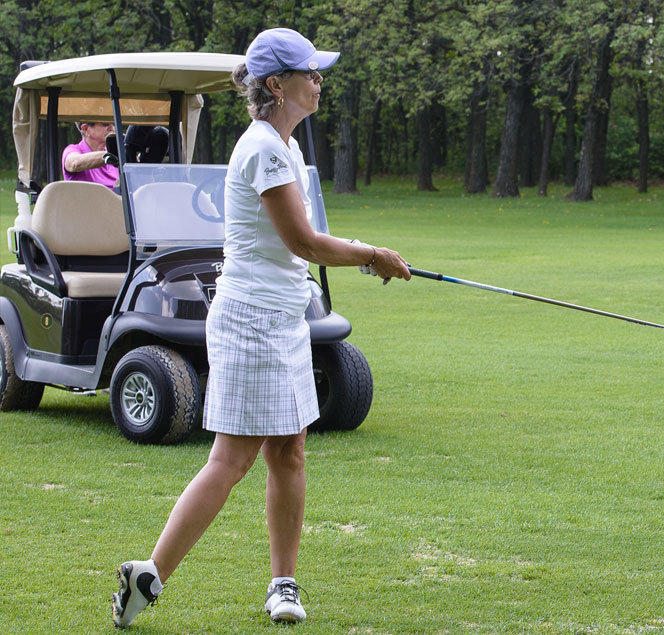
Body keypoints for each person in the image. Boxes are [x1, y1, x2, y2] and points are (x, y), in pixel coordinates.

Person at [111, 27, 411, 629]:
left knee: (290, 451)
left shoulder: (284, 144)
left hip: (281, 315)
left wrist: (362, 253)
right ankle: (151, 573)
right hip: (252, 320)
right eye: (310, 72)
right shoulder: (266, 149)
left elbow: (294, 245)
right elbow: (302, 240)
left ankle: (282, 584)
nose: (319, 80)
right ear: (277, 85)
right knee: (233, 458)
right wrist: (371, 253)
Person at [61, 121, 119, 188]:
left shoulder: (116, 153)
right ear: (85, 129)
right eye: (105, 124)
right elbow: (75, 163)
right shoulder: (73, 150)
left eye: (113, 123)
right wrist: (110, 155)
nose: (111, 127)